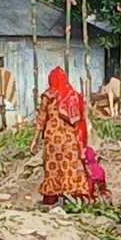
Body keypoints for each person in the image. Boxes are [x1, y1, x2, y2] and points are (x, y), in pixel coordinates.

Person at [35, 67, 94, 206]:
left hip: (52, 141)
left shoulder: (48, 95)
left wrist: (34, 140)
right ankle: (72, 202)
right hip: (69, 140)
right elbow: (80, 120)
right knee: (71, 170)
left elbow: (41, 119)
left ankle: (50, 201)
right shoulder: (73, 95)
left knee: (53, 171)